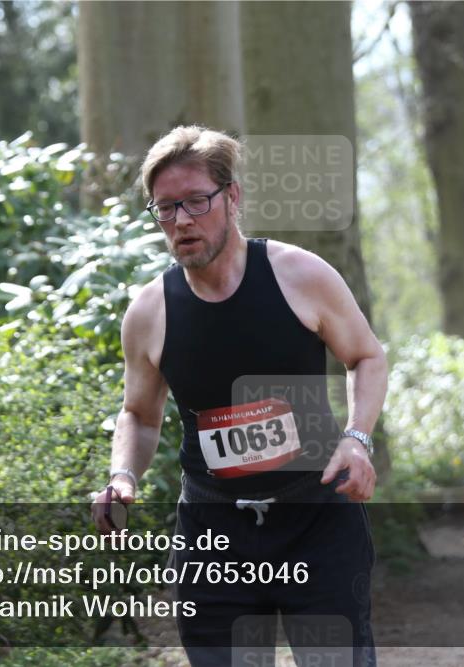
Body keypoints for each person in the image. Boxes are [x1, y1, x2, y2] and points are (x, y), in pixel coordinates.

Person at [91, 126, 387, 666]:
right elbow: (138, 414)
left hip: (316, 524)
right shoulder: (149, 313)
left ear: (232, 197)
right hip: (213, 535)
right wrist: (122, 477)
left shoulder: (300, 275)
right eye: (165, 208)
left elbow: (366, 356)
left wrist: (357, 438)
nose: (181, 220)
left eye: (196, 202)